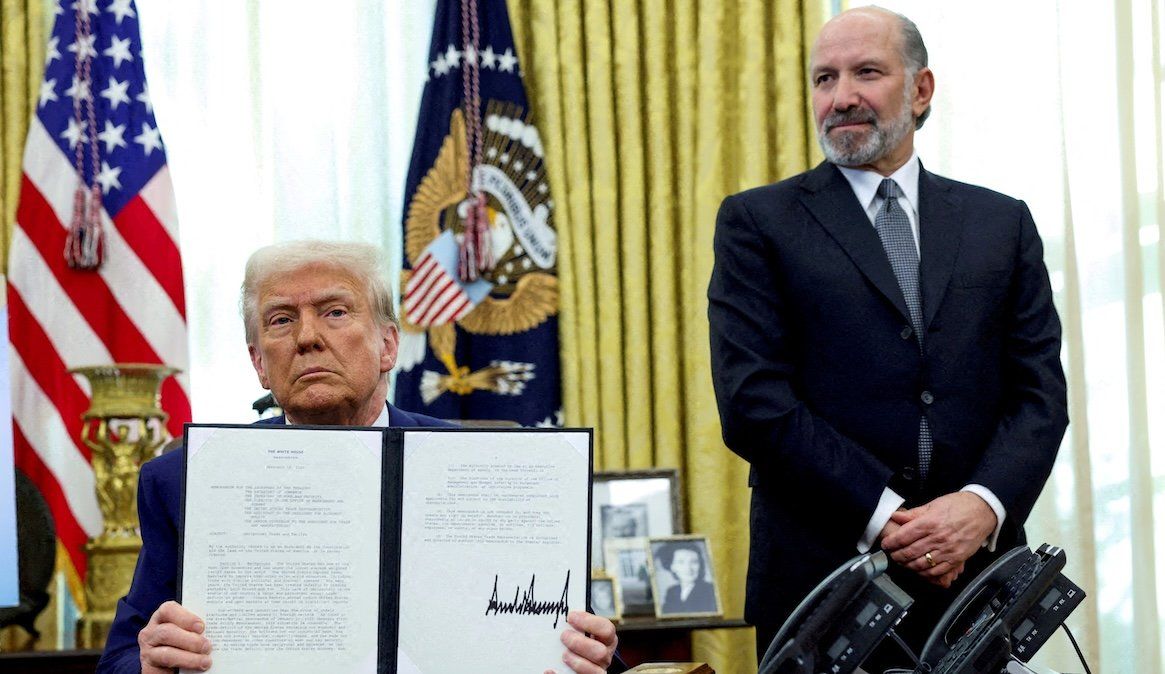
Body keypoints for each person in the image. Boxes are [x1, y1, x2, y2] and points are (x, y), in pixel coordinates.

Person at [707, 6, 1068, 666]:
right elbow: (753, 403)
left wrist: (978, 508)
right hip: (821, 589)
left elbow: (1038, 396)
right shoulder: (756, 223)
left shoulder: (1002, 224)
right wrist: (890, 519)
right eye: (823, 78)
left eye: (865, 72)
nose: (840, 96)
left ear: (920, 89)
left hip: (977, 585)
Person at [97, 241, 621, 674]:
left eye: (335, 312)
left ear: (388, 346)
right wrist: (149, 662)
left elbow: (577, 642)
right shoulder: (184, 479)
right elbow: (117, 661)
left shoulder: (496, 468)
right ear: (259, 363)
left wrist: (594, 655)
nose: (307, 338)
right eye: (280, 321)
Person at [656, 542, 717, 615]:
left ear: (700, 565)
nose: (688, 568)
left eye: (694, 562)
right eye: (681, 562)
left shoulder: (710, 590)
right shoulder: (672, 591)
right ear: (672, 566)